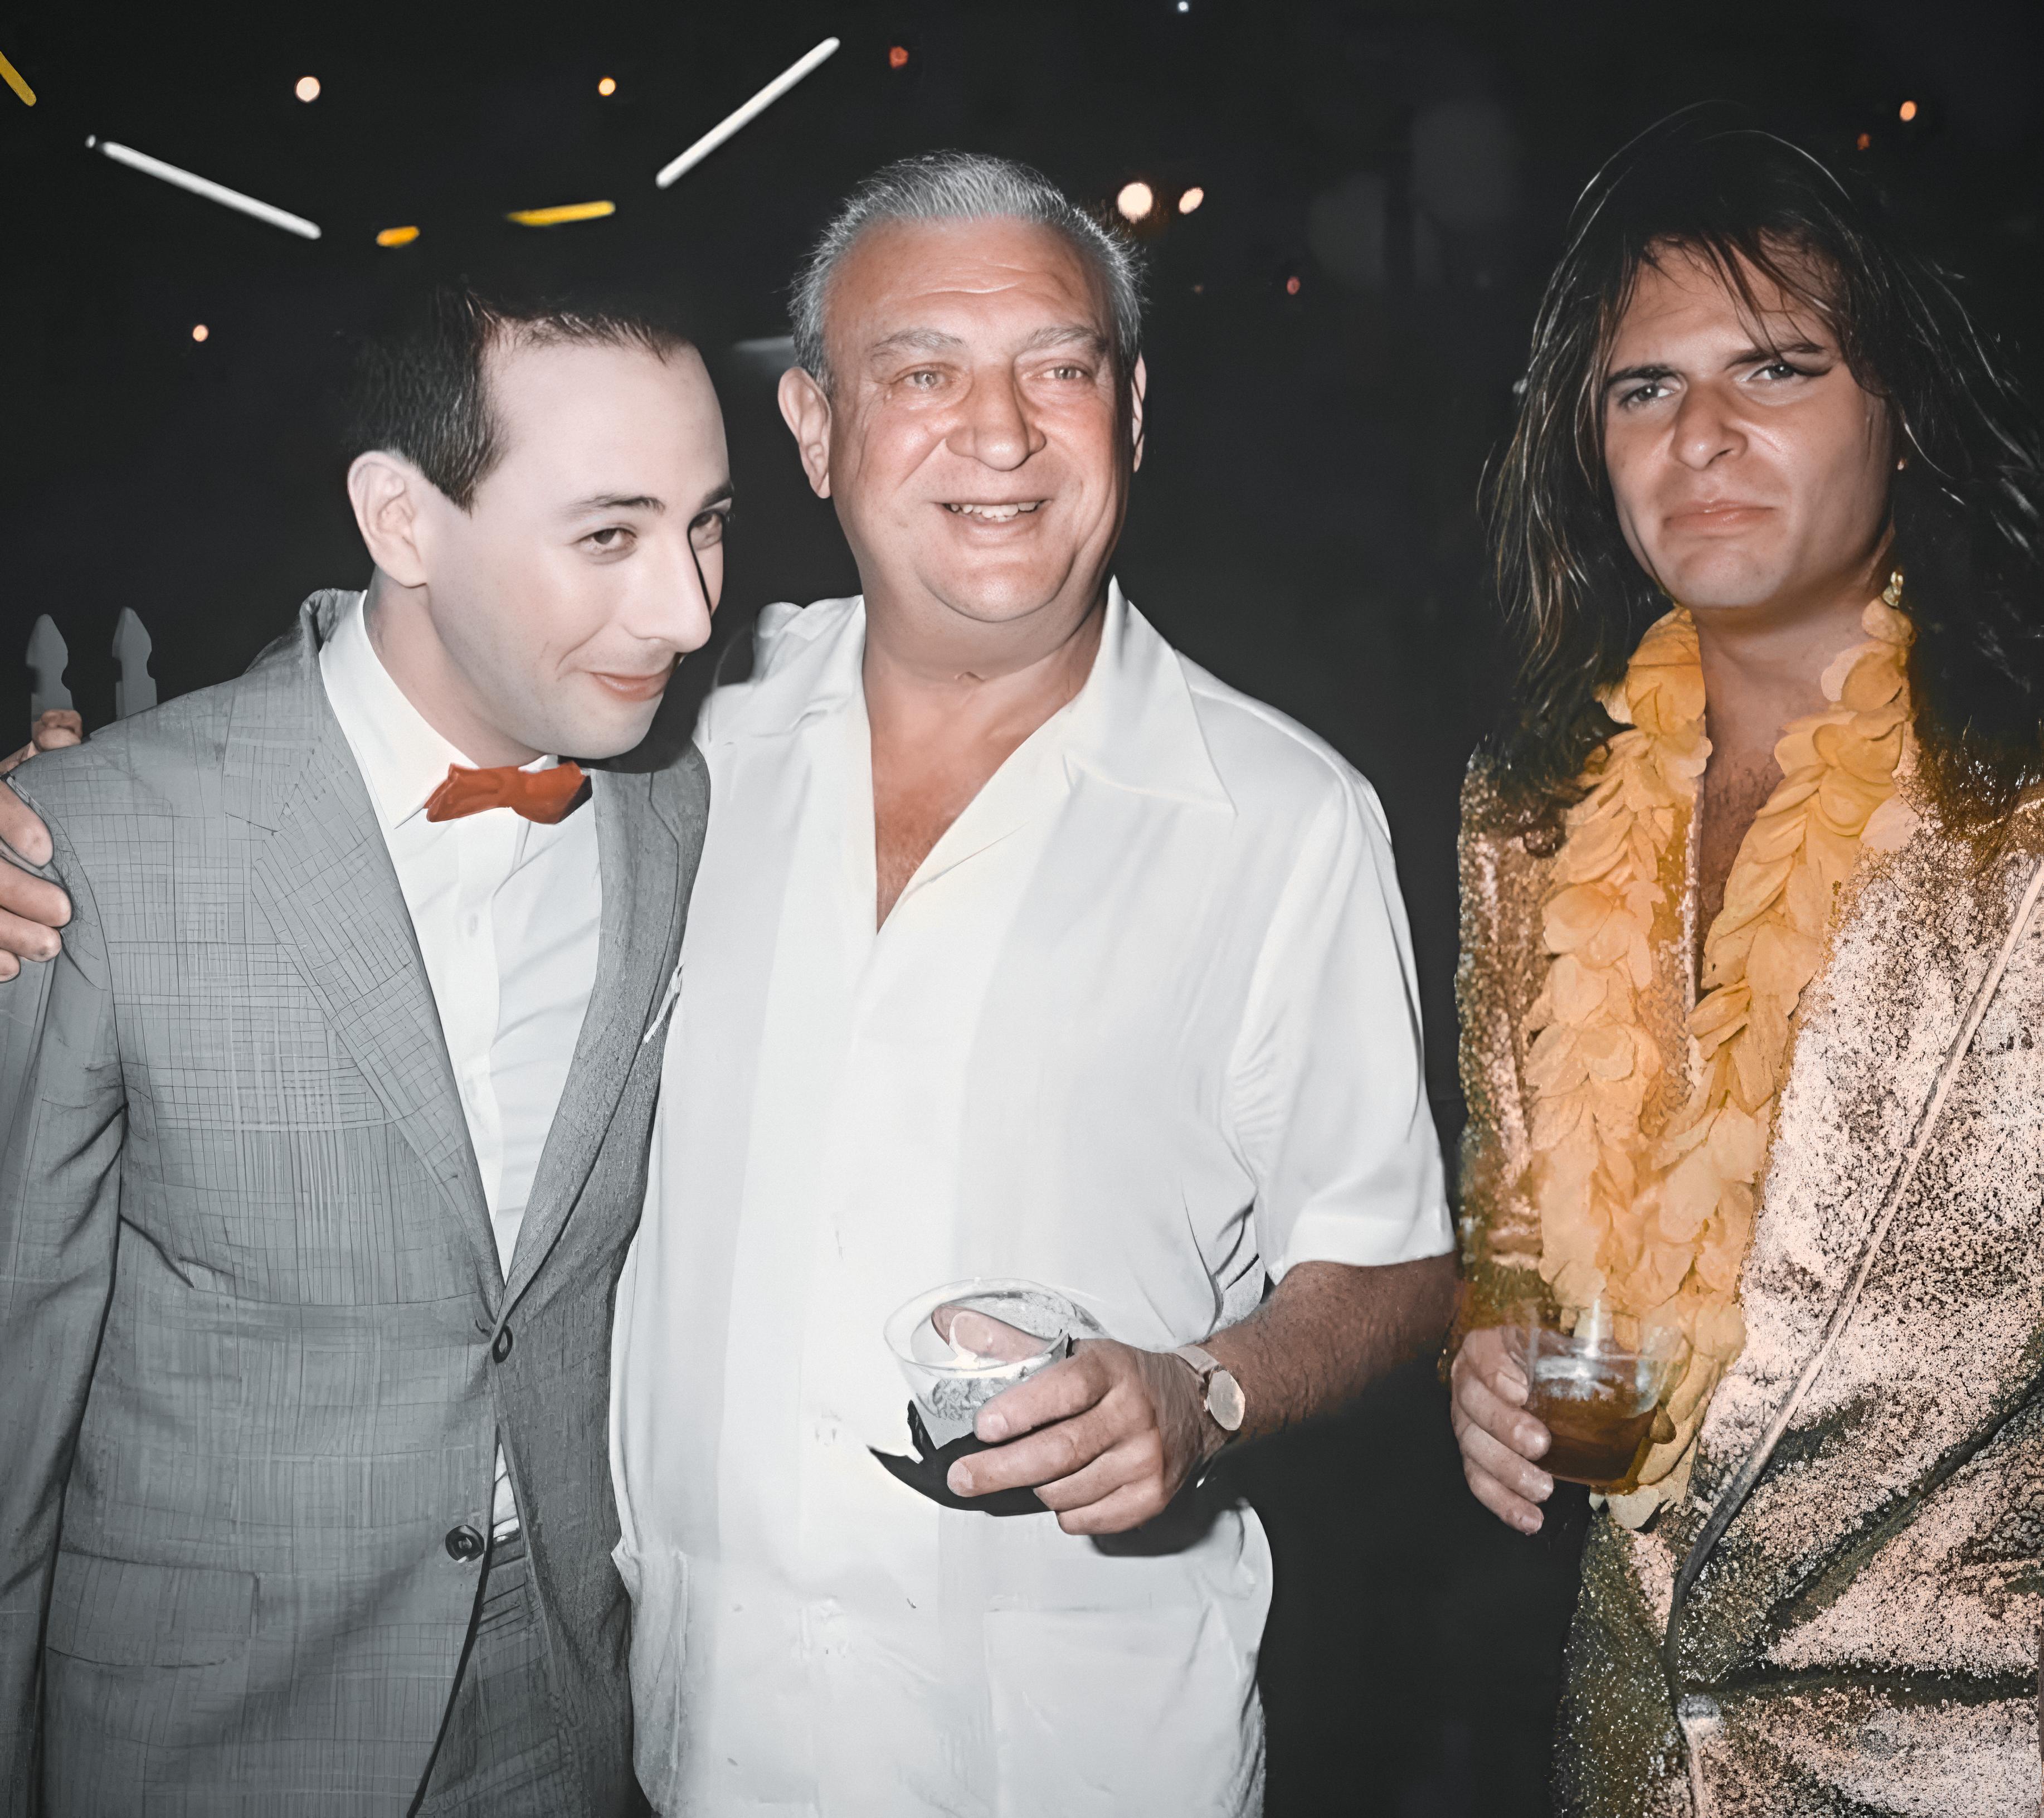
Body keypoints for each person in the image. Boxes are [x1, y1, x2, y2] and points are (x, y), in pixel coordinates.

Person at [606, 151, 1458, 1817]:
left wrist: (1203, 1392)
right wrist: (84, 813)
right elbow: (416, 681)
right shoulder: (672, 743)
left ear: (1129, 411)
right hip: (691, 1735)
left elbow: (1392, 1265)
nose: (997, 438)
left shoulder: (1280, 817)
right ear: (811, 429)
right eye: (919, 373)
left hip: (1083, 1753)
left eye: (1055, 368)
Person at [0, 285, 726, 1815]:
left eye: (708, 525)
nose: (686, 609)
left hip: (575, 1702)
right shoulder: (101, 845)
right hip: (213, 1731)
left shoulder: (678, 804)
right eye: (609, 534)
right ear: (402, 521)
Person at [1447, 113, 2044, 1814]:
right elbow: (1510, 1224)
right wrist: (1486, 1353)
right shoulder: (1525, 806)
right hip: (1625, 1754)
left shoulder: (2013, 816)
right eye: (1643, 389)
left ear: (1904, 412)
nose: (1697, 436)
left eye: (1773, 368)